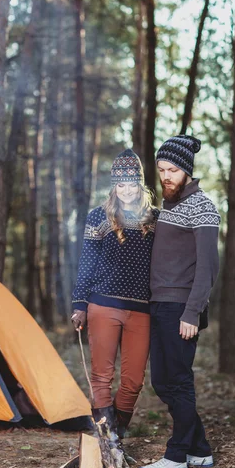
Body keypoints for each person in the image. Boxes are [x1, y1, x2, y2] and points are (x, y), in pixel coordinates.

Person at [139, 134, 220, 468]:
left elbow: (208, 267)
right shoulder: (168, 209)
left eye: (172, 169)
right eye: (161, 170)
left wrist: (192, 312)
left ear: (186, 170)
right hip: (158, 305)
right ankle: (199, 450)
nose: (166, 176)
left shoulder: (203, 206)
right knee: (161, 380)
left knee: (178, 380)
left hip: (181, 308)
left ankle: (176, 455)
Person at [71, 149, 159, 448]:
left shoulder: (155, 218)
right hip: (103, 305)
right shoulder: (99, 216)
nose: (126, 190)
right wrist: (79, 304)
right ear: (113, 185)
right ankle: (108, 442)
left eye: (132, 184)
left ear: (140, 183)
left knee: (134, 380)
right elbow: (87, 262)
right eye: (120, 185)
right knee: (101, 376)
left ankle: (116, 432)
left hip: (141, 309)